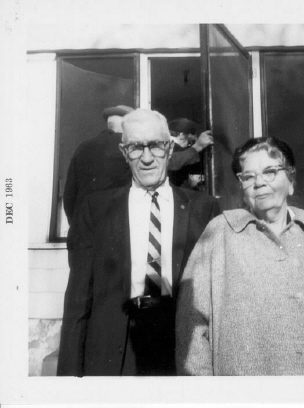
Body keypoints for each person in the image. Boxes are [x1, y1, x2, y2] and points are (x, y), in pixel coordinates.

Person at [176, 136, 304, 376]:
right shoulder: (220, 234)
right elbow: (192, 326)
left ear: (290, 180)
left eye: (270, 172)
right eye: (248, 176)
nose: (259, 182)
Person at [57, 109, 220, 376]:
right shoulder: (95, 210)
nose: (146, 158)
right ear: (124, 152)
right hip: (115, 354)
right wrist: (67, 381)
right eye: (135, 148)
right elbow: (77, 302)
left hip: (181, 349)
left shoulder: (205, 209)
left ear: (169, 149)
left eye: (155, 145)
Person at [63, 105, 133, 224]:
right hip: (115, 226)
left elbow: (69, 196)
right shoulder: (130, 148)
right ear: (127, 126)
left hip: (83, 226)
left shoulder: (82, 147)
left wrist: (76, 225)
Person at [167, 118, 213, 188]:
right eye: (193, 133)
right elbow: (172, 161)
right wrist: (197, 146)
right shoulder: (169, 147)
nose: (195, 138)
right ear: (182, 135)